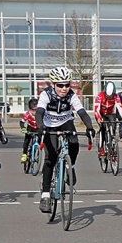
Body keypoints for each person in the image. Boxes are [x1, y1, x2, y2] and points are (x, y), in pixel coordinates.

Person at [36, 67, 95, 213]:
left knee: (74, 142)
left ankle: (70, 166)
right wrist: (41, 126)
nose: (64, 88)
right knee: (51, 158)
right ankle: (45, 195)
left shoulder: (71, 95)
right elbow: (39, 112)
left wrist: (89, 127)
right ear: (53, 84)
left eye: (67, 85)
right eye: (60, 85)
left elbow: (82, 112)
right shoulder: (46, 94)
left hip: (66, 122)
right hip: (49, 125)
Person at [93, 82, 122, 158]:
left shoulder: (116, 96)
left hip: (111, 113)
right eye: (107, 96)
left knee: (113, 126)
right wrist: (99, 117)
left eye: (110, 96)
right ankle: (101, 147)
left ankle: (112, 143)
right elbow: (96, 109)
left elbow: (120, 107)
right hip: (101, 113)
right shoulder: (99, 96)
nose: (109, 97)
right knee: (102, 128)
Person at [19, 98, 39, 163]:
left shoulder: (41, 114)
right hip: (30, 127)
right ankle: (24, 154)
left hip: (38, 128)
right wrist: (23, 128)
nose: (35, 112)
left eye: (37, 110)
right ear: (30, 109)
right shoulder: (28, 114)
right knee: (27, 140)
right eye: (33, 110)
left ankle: (39, 152)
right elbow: (21, 122)